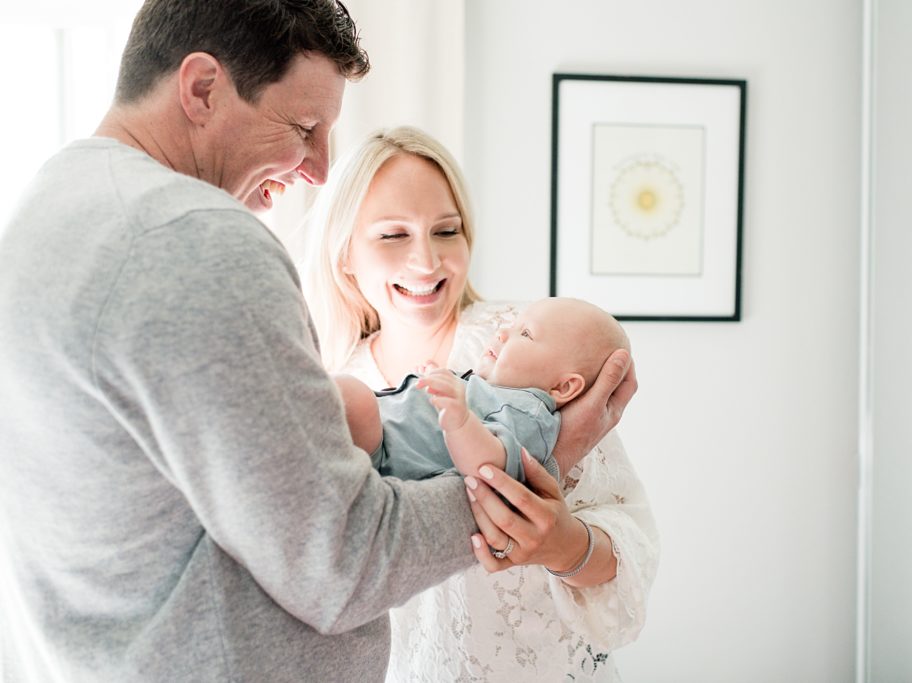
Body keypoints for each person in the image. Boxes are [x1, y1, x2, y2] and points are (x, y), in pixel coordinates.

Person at [0, 3, 635, 682]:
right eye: (303, 127)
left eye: (444, 229)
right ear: (203, 89)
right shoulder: (193, 240)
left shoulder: (46, 211)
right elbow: (342, 563)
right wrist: (535, 465)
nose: (319, 168)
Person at [301, 125, 658, 682]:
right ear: (345, 253)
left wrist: (567, 546)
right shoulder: (332, 390)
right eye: (393, 235)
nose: (427, 261)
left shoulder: (530, 349)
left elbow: (630, 541)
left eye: (447, 231)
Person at [336, 297, 630, 487]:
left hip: (385, 462)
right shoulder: (495, 393)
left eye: (525, 334)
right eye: (512, 326)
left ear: (562, 387)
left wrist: (460, 421)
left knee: (351, 396)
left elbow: (494, 466)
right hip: (376, 444)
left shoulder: (529, 415)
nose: (502, 333)